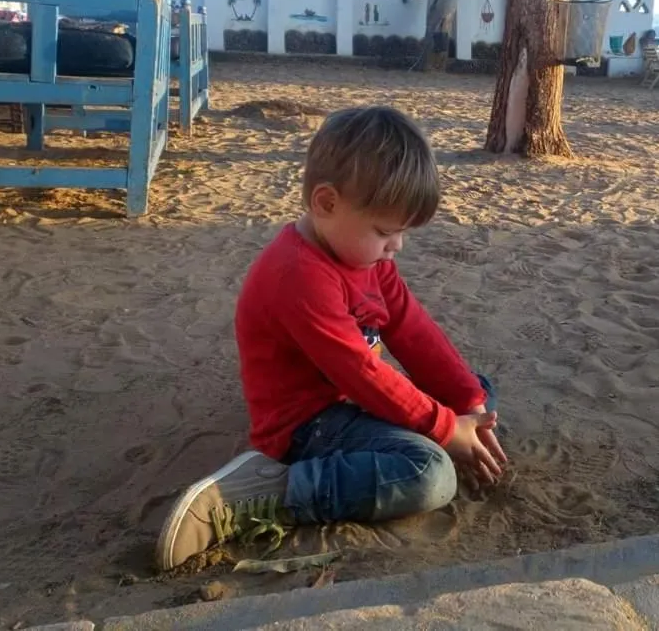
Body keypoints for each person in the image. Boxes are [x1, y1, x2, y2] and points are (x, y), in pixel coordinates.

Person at [155, 105, 507, 571]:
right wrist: (444, 430)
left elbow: (411, 328)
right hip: (307, 423)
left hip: (354, 400)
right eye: (385, 231)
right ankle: (266, 489)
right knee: (430, 476)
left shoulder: (367, 259)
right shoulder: (299, 275)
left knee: (475, 389)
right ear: (326, 203)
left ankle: (440, 428)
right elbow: (361, 374)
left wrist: (466, 404)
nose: (396, 246)